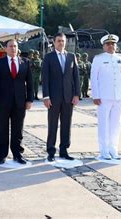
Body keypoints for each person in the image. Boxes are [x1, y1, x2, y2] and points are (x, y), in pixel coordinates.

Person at [0, 39, 33, 164]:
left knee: (18, 129)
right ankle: (2, 155)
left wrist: (29, 99)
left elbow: (29, 83)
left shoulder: (25, 62)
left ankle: (17, 154)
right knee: (2, 129)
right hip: (2, 103)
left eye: (15, 46)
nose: (13, 48)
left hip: (20, 102)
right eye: (10, 46)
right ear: (6, 48)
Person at [91, 34, 121, 160]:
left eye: (113, 44)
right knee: (103, 124)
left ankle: (114, 149)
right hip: (103, 96)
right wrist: (95, 95)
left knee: (116, 124)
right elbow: (94, 78)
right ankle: (104, 151)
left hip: (118, 96)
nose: (111, 46)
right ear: (103, 46)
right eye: (108, 44)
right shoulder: (98, 58)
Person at [41, 33, 80, 161]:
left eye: (63, 41)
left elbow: (76, 77)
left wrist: (76, 95)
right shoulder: (48, 57)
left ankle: (64, 150)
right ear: (54, 42)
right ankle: (51, 151)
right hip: (53, 97)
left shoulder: (71, 56)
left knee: (66, 124)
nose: (61, 43)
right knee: (52, 124)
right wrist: (46, 96)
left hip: (68, 98)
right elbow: (45, 78)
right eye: (58, 41)